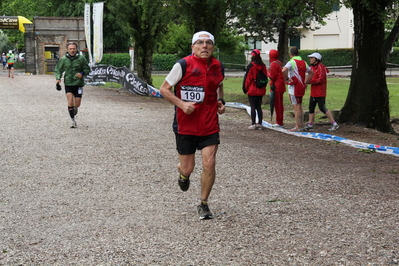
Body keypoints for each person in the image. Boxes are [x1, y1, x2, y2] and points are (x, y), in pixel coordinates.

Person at [160, 31, 225, 220]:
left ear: (213, 47)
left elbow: (219, 84)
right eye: (200, 43)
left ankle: (203, 204)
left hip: (209, 124)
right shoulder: (183, 65)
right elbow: (164, 89)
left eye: (208, 43)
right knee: (188, 168)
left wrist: (221, 101)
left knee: (210, 162)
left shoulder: (218, 66)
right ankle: (183, 174)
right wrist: (182, 104)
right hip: (186, 125)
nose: (204, 46)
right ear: (193, 47)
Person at [54, 42, 90, 128]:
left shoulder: (81, 58)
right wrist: (58, 78)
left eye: (73, 49)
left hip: (79, 83)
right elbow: (58, 69)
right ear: (67, 50)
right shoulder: (64, 59)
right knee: (70, 101)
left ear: (76, 49)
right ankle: (73, 120)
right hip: (69, 83)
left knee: (77, 104)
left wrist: (82, 73)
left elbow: (87, 69)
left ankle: (75, 108)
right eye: (70, 49)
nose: (72, 50)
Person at [303, 52, 339, 132]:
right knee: (311, 108)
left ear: (316, 59)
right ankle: (310, 124)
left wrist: (310, 81)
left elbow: (320, 79)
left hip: (320, 91)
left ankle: (334, 123)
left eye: (312, 58)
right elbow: (308, 76)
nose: (310, 59)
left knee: (322, 108)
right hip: (313, 92)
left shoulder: (321, 67)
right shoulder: (311, 67)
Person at [282, 46, 313, 131]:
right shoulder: (303, 62)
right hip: (301, 86)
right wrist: (306, 82)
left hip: (294, 87)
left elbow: (283, 70)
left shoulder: (291, 62)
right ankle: (301, 125)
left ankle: (297, 126)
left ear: (290, 53)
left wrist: (287, 79)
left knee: (296, 107)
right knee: (300, 106)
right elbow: (311, 72)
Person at [242, 49, 268, 130]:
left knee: (253, 106)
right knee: (259, 107)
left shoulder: (251, 66)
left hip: (252, 89)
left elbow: (247, 79)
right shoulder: (263, 66)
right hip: (261, 90)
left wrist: (245, 89)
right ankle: (260, 123)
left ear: (253, 56)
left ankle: (253, 123)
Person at [268, 49, 286, 128]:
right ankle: (279, 120)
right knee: (279, 104)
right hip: (280, 86)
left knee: (278, 105)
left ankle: (279, 122)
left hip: (277, 87)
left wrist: (268, 73)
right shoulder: (278, 62)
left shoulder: (273, 64)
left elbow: (273, 76)